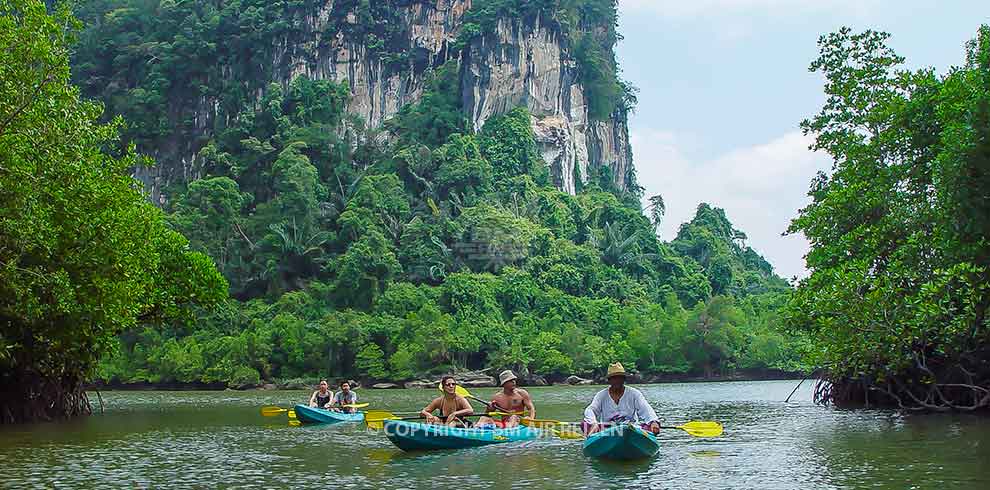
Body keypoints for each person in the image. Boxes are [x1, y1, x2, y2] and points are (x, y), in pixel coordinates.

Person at [582, 363, 661, 436]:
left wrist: (653, 421)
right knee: (585, 425)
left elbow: (645, 408)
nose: (617, 381)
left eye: (620, 378)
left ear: (624, 379)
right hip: (608, 429)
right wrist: (593, 423)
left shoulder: (634, 393)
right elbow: (591, 410)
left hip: (631, 428)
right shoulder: (601, 395)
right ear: (609, 380)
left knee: (651, 427)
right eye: (614, 378)